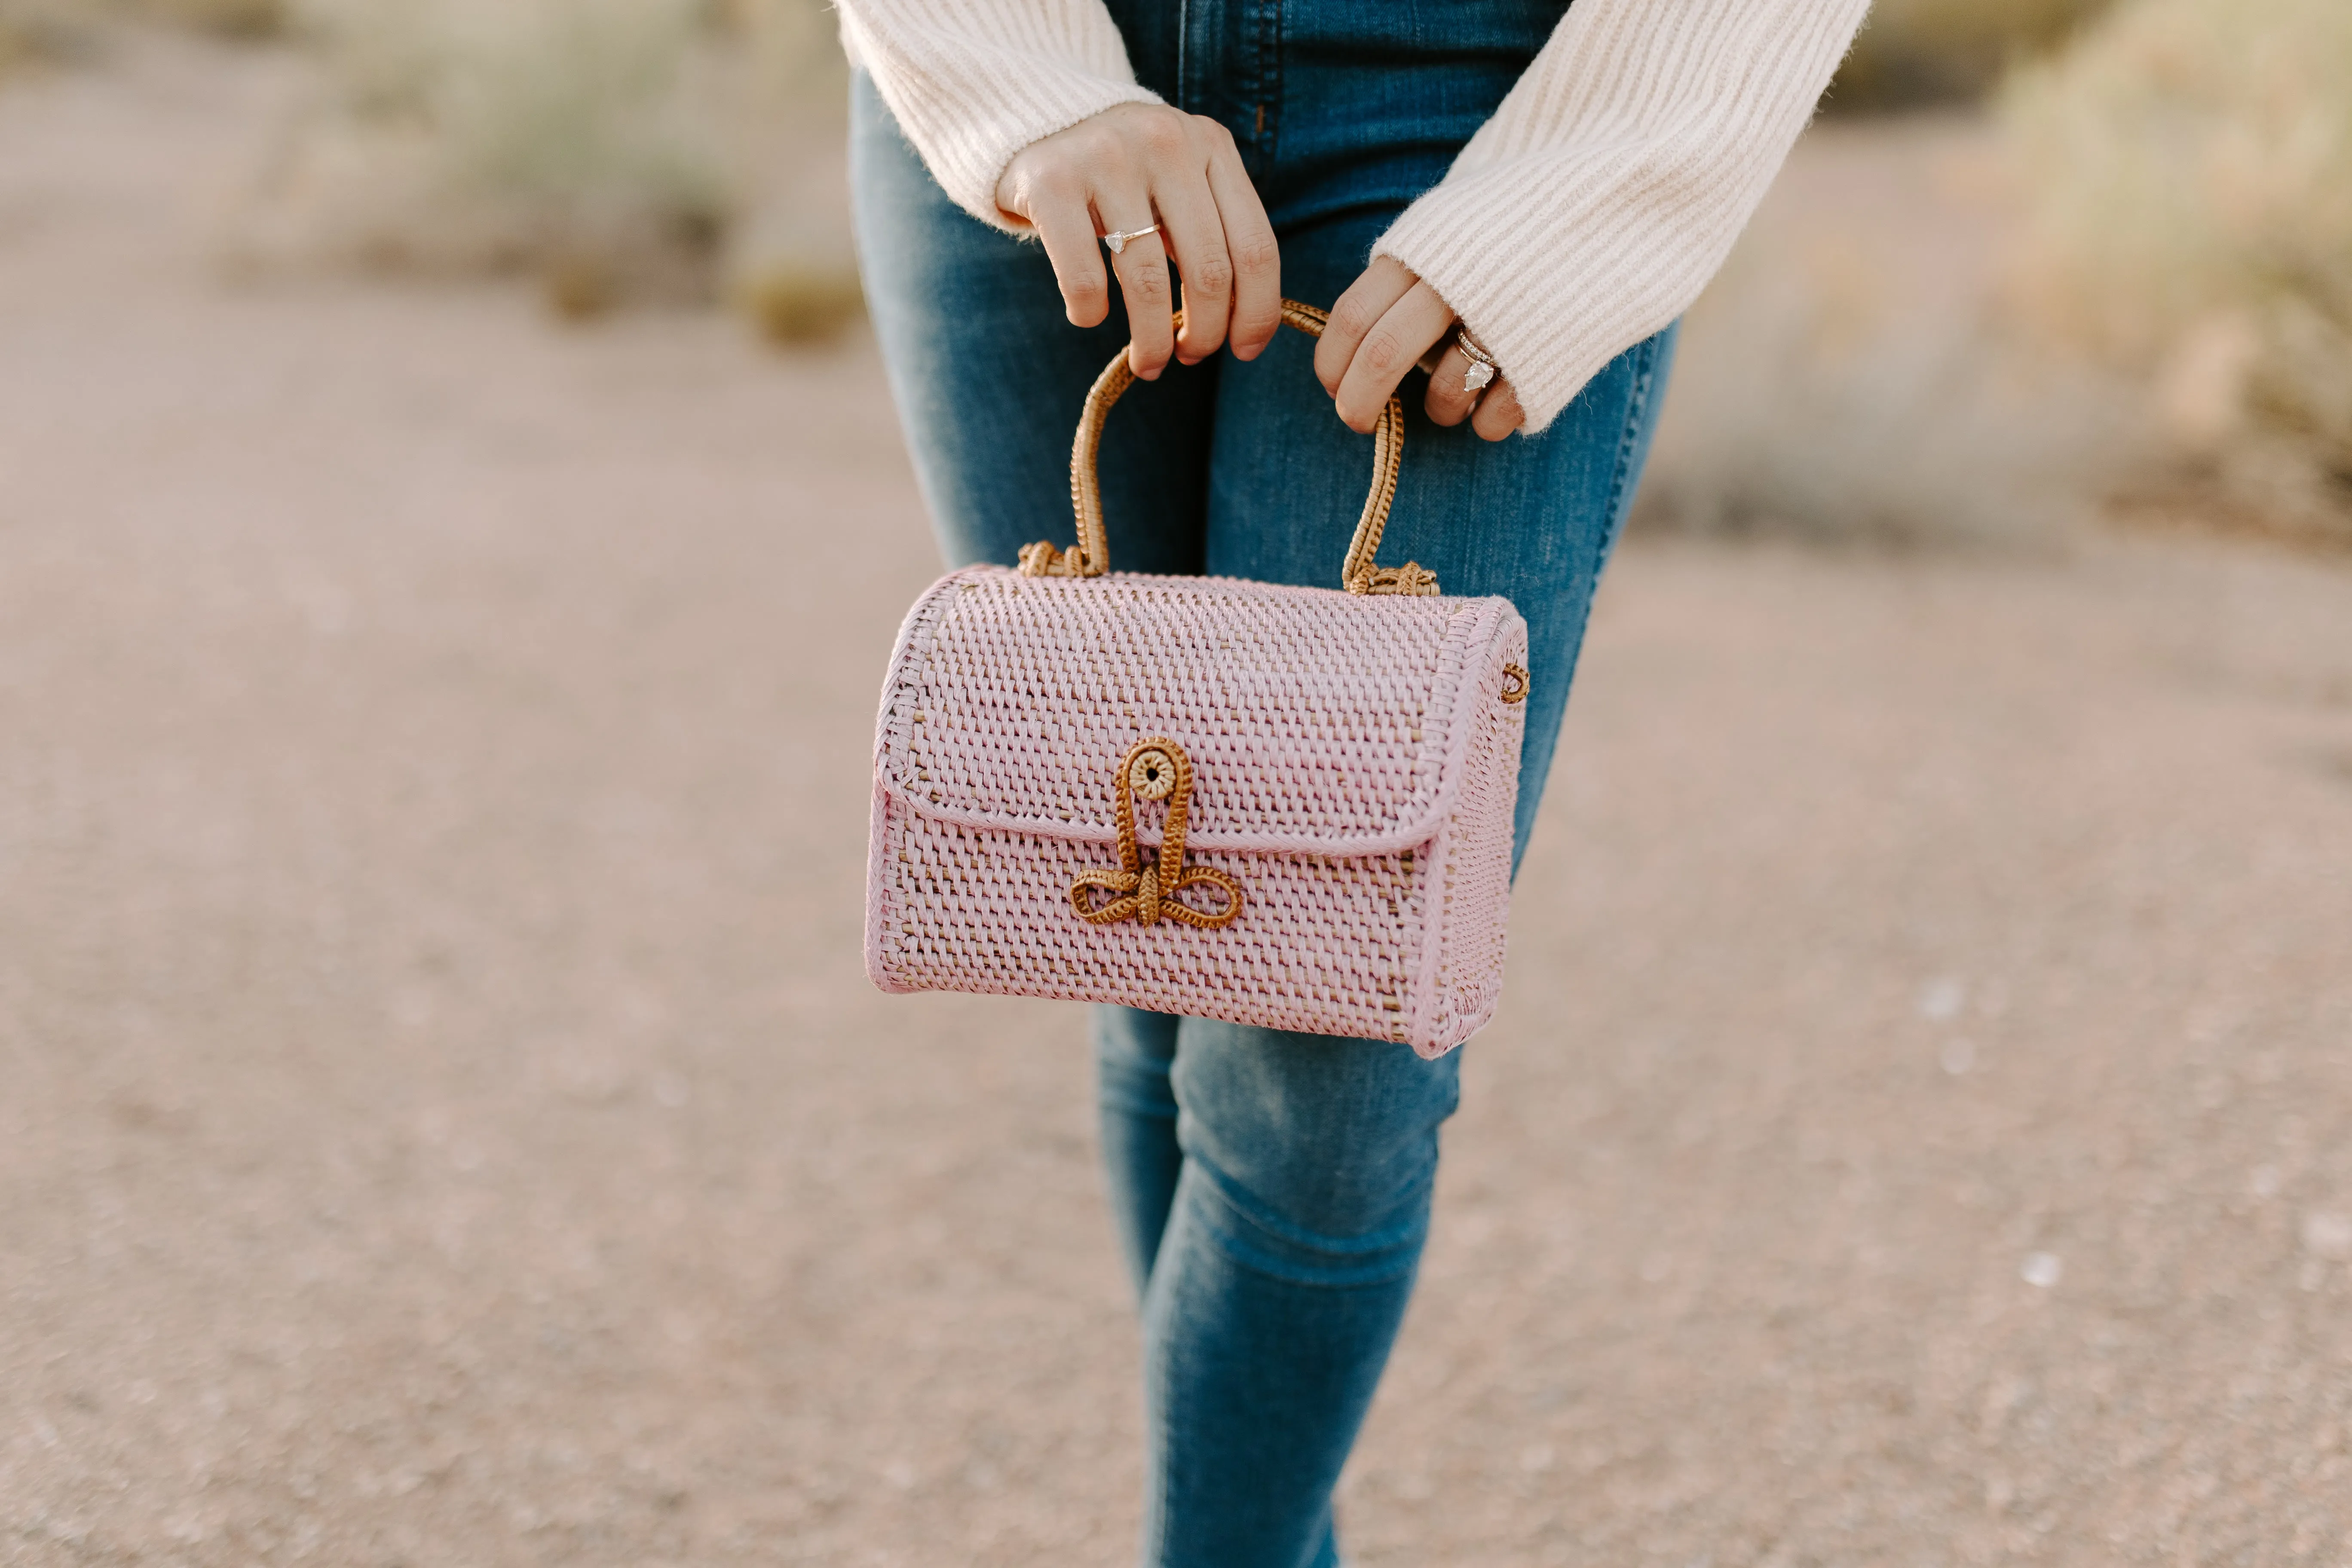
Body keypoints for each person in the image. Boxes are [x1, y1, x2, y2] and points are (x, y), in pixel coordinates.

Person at [840, 0, 1869, 1561]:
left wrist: (1595, 187)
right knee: (1149, 934)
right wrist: (1020, 80)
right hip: (1028, 92)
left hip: (1474, 108)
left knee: (1325, 1074)